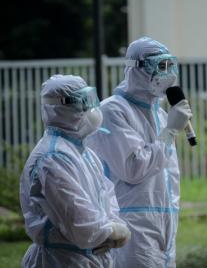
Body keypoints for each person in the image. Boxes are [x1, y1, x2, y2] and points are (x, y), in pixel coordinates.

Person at [87, 37, 191, 267]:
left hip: (166, 221)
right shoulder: (113, 110)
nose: (166, 74)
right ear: (136, 69)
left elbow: (167, 175)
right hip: (132, 222)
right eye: (158, 66)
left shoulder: (161, 114)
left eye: (169, 65)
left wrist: (169, 128)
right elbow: (133, 168)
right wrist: (170, 131)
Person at [19, 75, 131, 267]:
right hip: (61, 260)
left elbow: (105, 197)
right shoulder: (53, 158)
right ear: (60, 109)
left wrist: (111, 225)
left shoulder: (84, 153)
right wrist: (111, 231)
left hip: (90, 257)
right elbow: (80, 222)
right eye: (83, 103)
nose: (91, 109)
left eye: (90, 100)